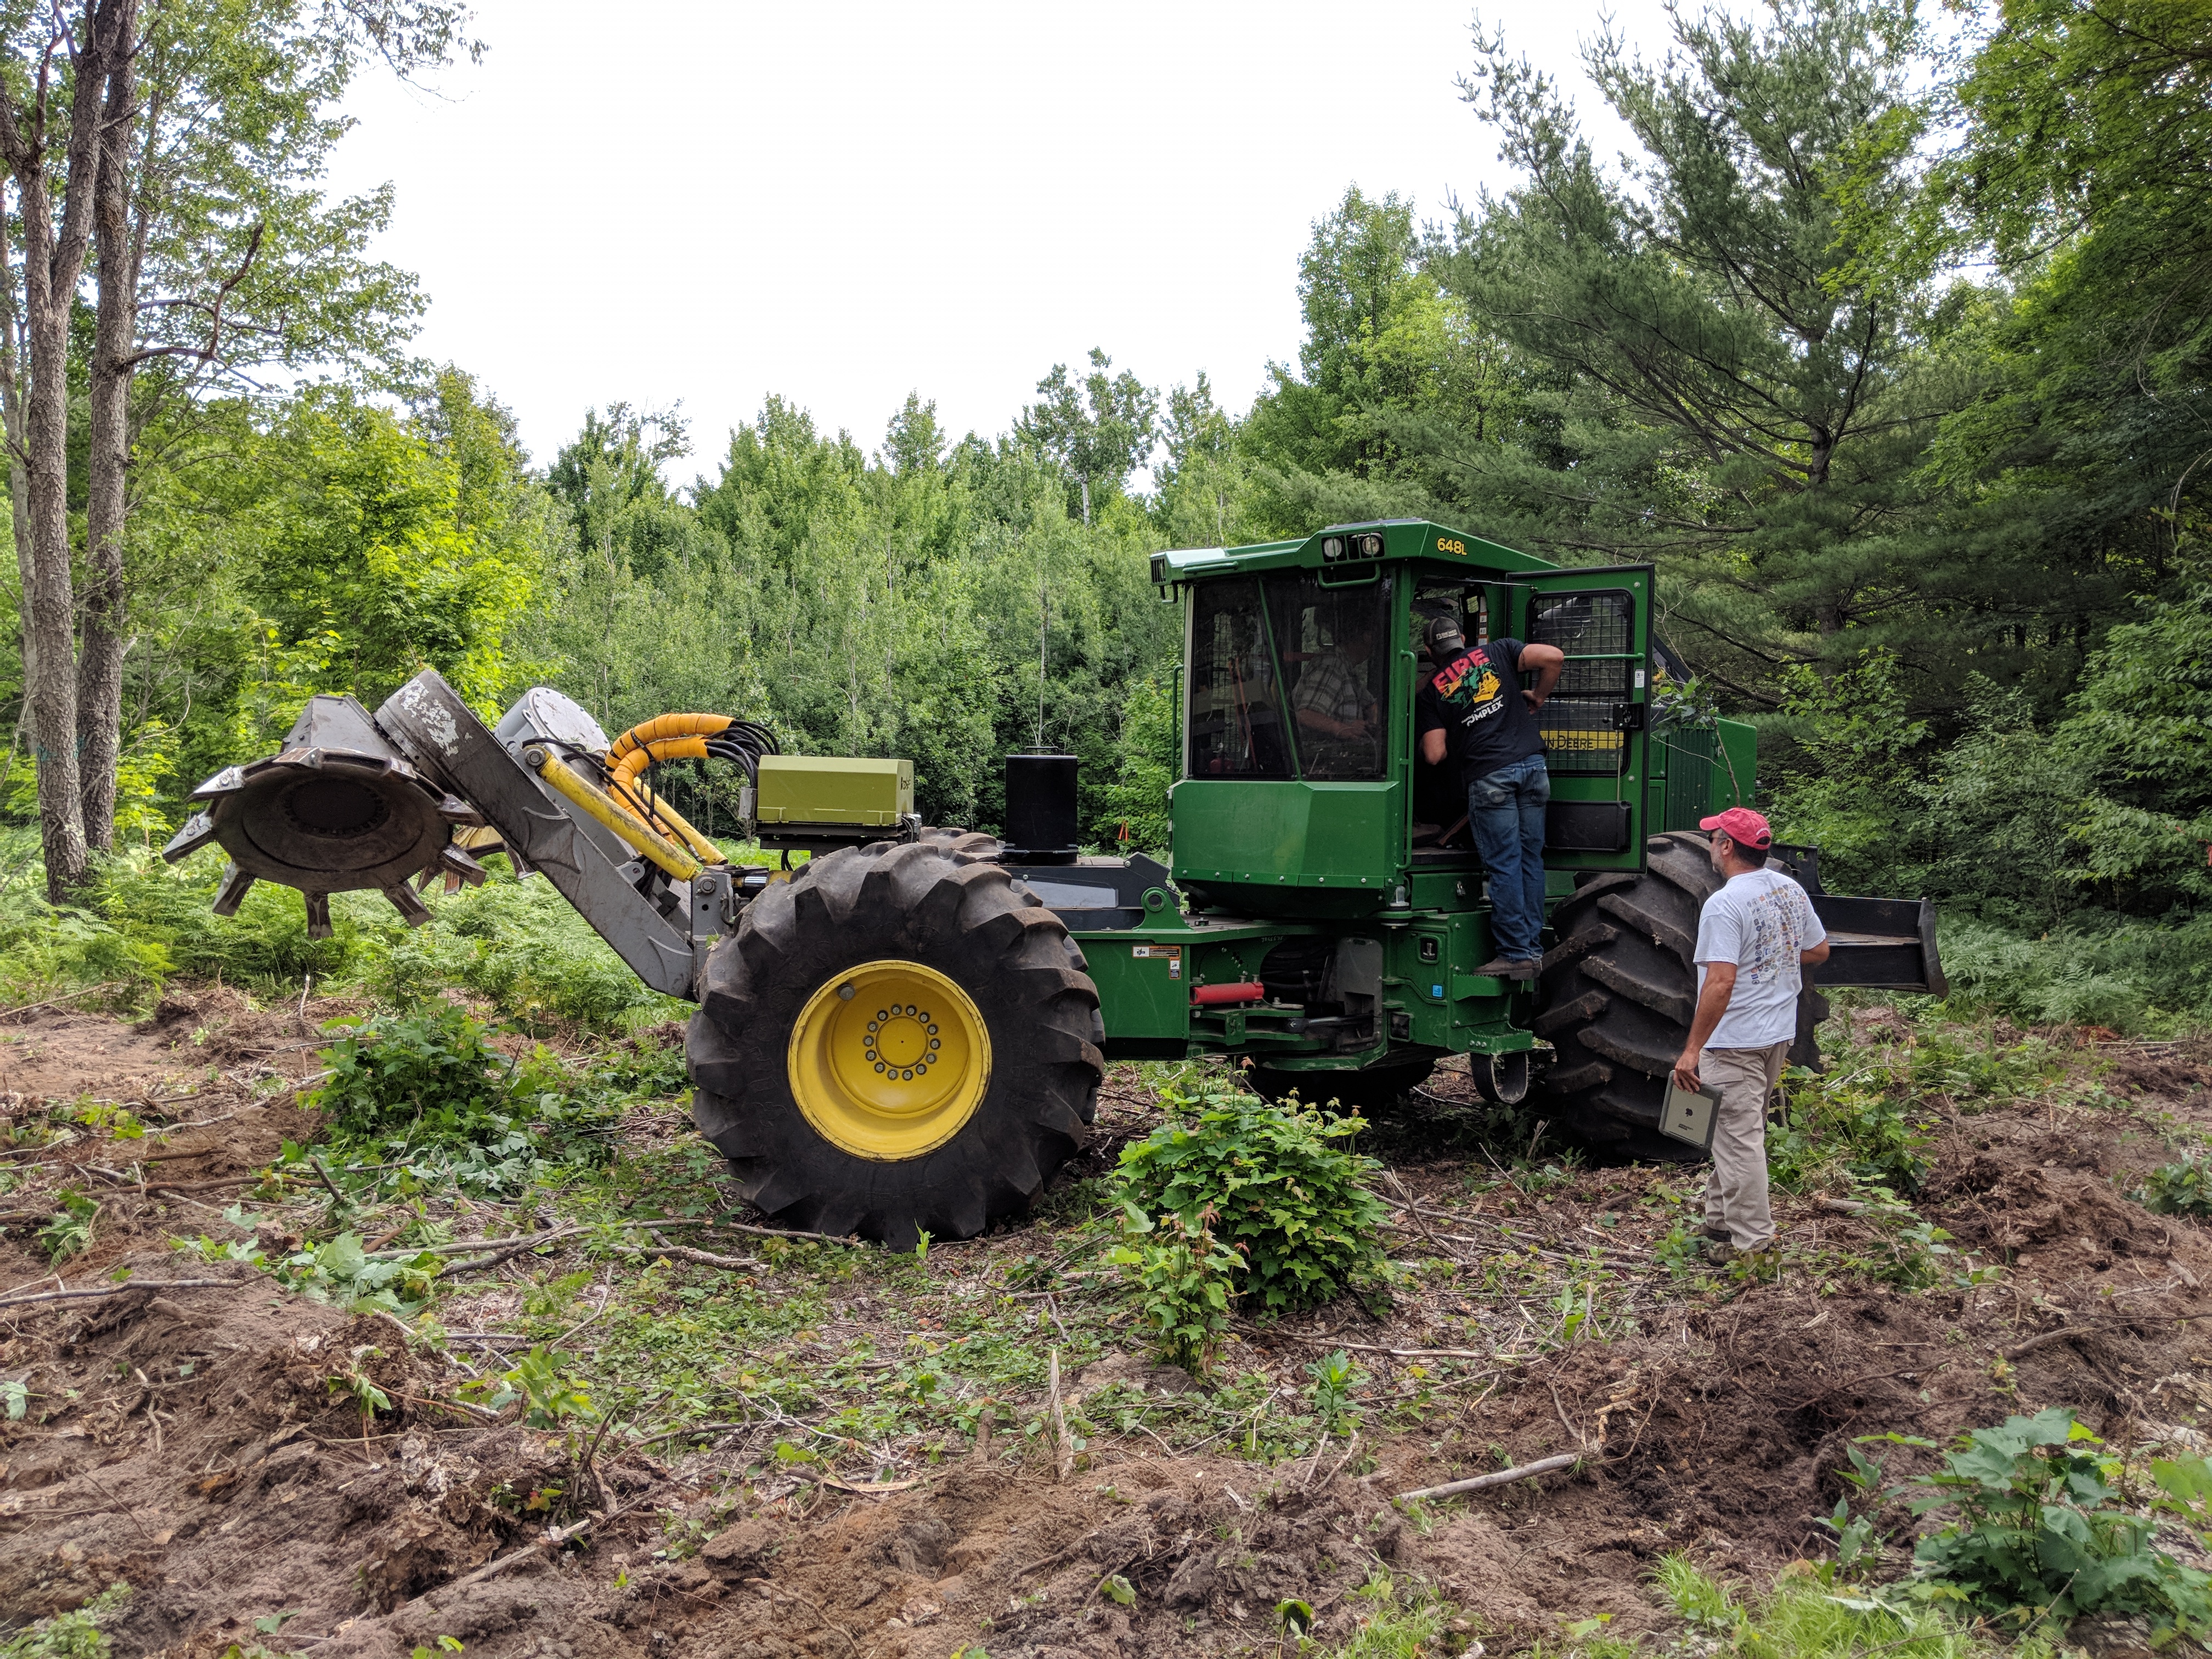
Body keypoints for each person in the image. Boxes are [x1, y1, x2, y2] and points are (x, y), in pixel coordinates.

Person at [1670, 806, 1831, 1264]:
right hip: (1776, 1035)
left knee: (1740, 1142)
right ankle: (1720, 1226)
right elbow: (1818, 950)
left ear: (1726, 847)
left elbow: (1720, 983)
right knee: (1736, 1132)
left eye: (1713, 838)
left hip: (1734, 1040)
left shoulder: (1725, 903)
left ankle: (1754, 1246)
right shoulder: (1789, 890)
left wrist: (1692, 1050)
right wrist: (1770, 958)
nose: (1710, 846)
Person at [1415, 616, 1564, 976]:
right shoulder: (1499, 650)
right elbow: (1554, 657)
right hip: (1533, 767)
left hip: (1491, 776)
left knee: (1504, 863)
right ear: (1463, 638)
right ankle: (1532, 948)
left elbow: (1435, 754)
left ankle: (1516, 954)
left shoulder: (1431, 690)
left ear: (1429, 652)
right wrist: (1538, 697)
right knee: (1530, 858)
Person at [1291, 614, 1381, 773]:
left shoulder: (1347, 670)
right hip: (1315, 762)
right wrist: (1344, 729)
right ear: (1368, 637)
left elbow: (1371, 704)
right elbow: (1305, 715)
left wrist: (1370, 726)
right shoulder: (1331, 665)